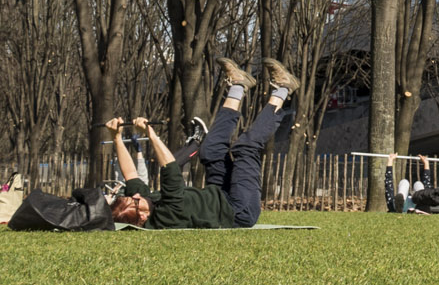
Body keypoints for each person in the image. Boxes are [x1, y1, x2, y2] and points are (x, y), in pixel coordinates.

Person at [108, 58, 298, 229]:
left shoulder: (141, 201)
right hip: (238, 210)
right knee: (245, 147)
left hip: (218, 194)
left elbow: (130, 175)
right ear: (142, 216)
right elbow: (170, 167)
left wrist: (116, 137)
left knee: (209, 150)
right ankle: (284, 88)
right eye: (135, 202)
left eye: (132, 197)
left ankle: (239, 85)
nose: (137, 197)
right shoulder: (168, 214)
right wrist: (151, 133)